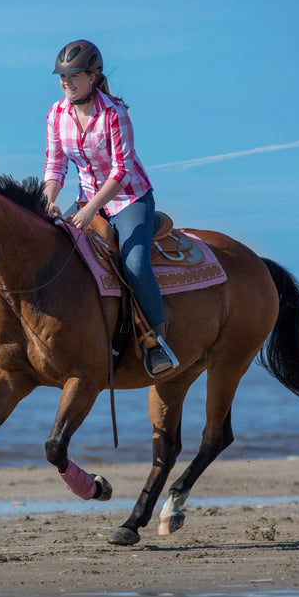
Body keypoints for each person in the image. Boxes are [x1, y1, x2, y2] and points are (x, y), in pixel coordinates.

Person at [42, 39, 178, 377]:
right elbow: (55, 165)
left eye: (73, 75)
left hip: (129, 199)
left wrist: (91, 211)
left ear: (92, 76)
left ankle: (155, 343)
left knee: (134, 264)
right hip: (87, 199)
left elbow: (122, 171)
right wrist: (48, 200)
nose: (66, 82)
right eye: (62, 76)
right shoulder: (56, 114)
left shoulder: (115, 114)